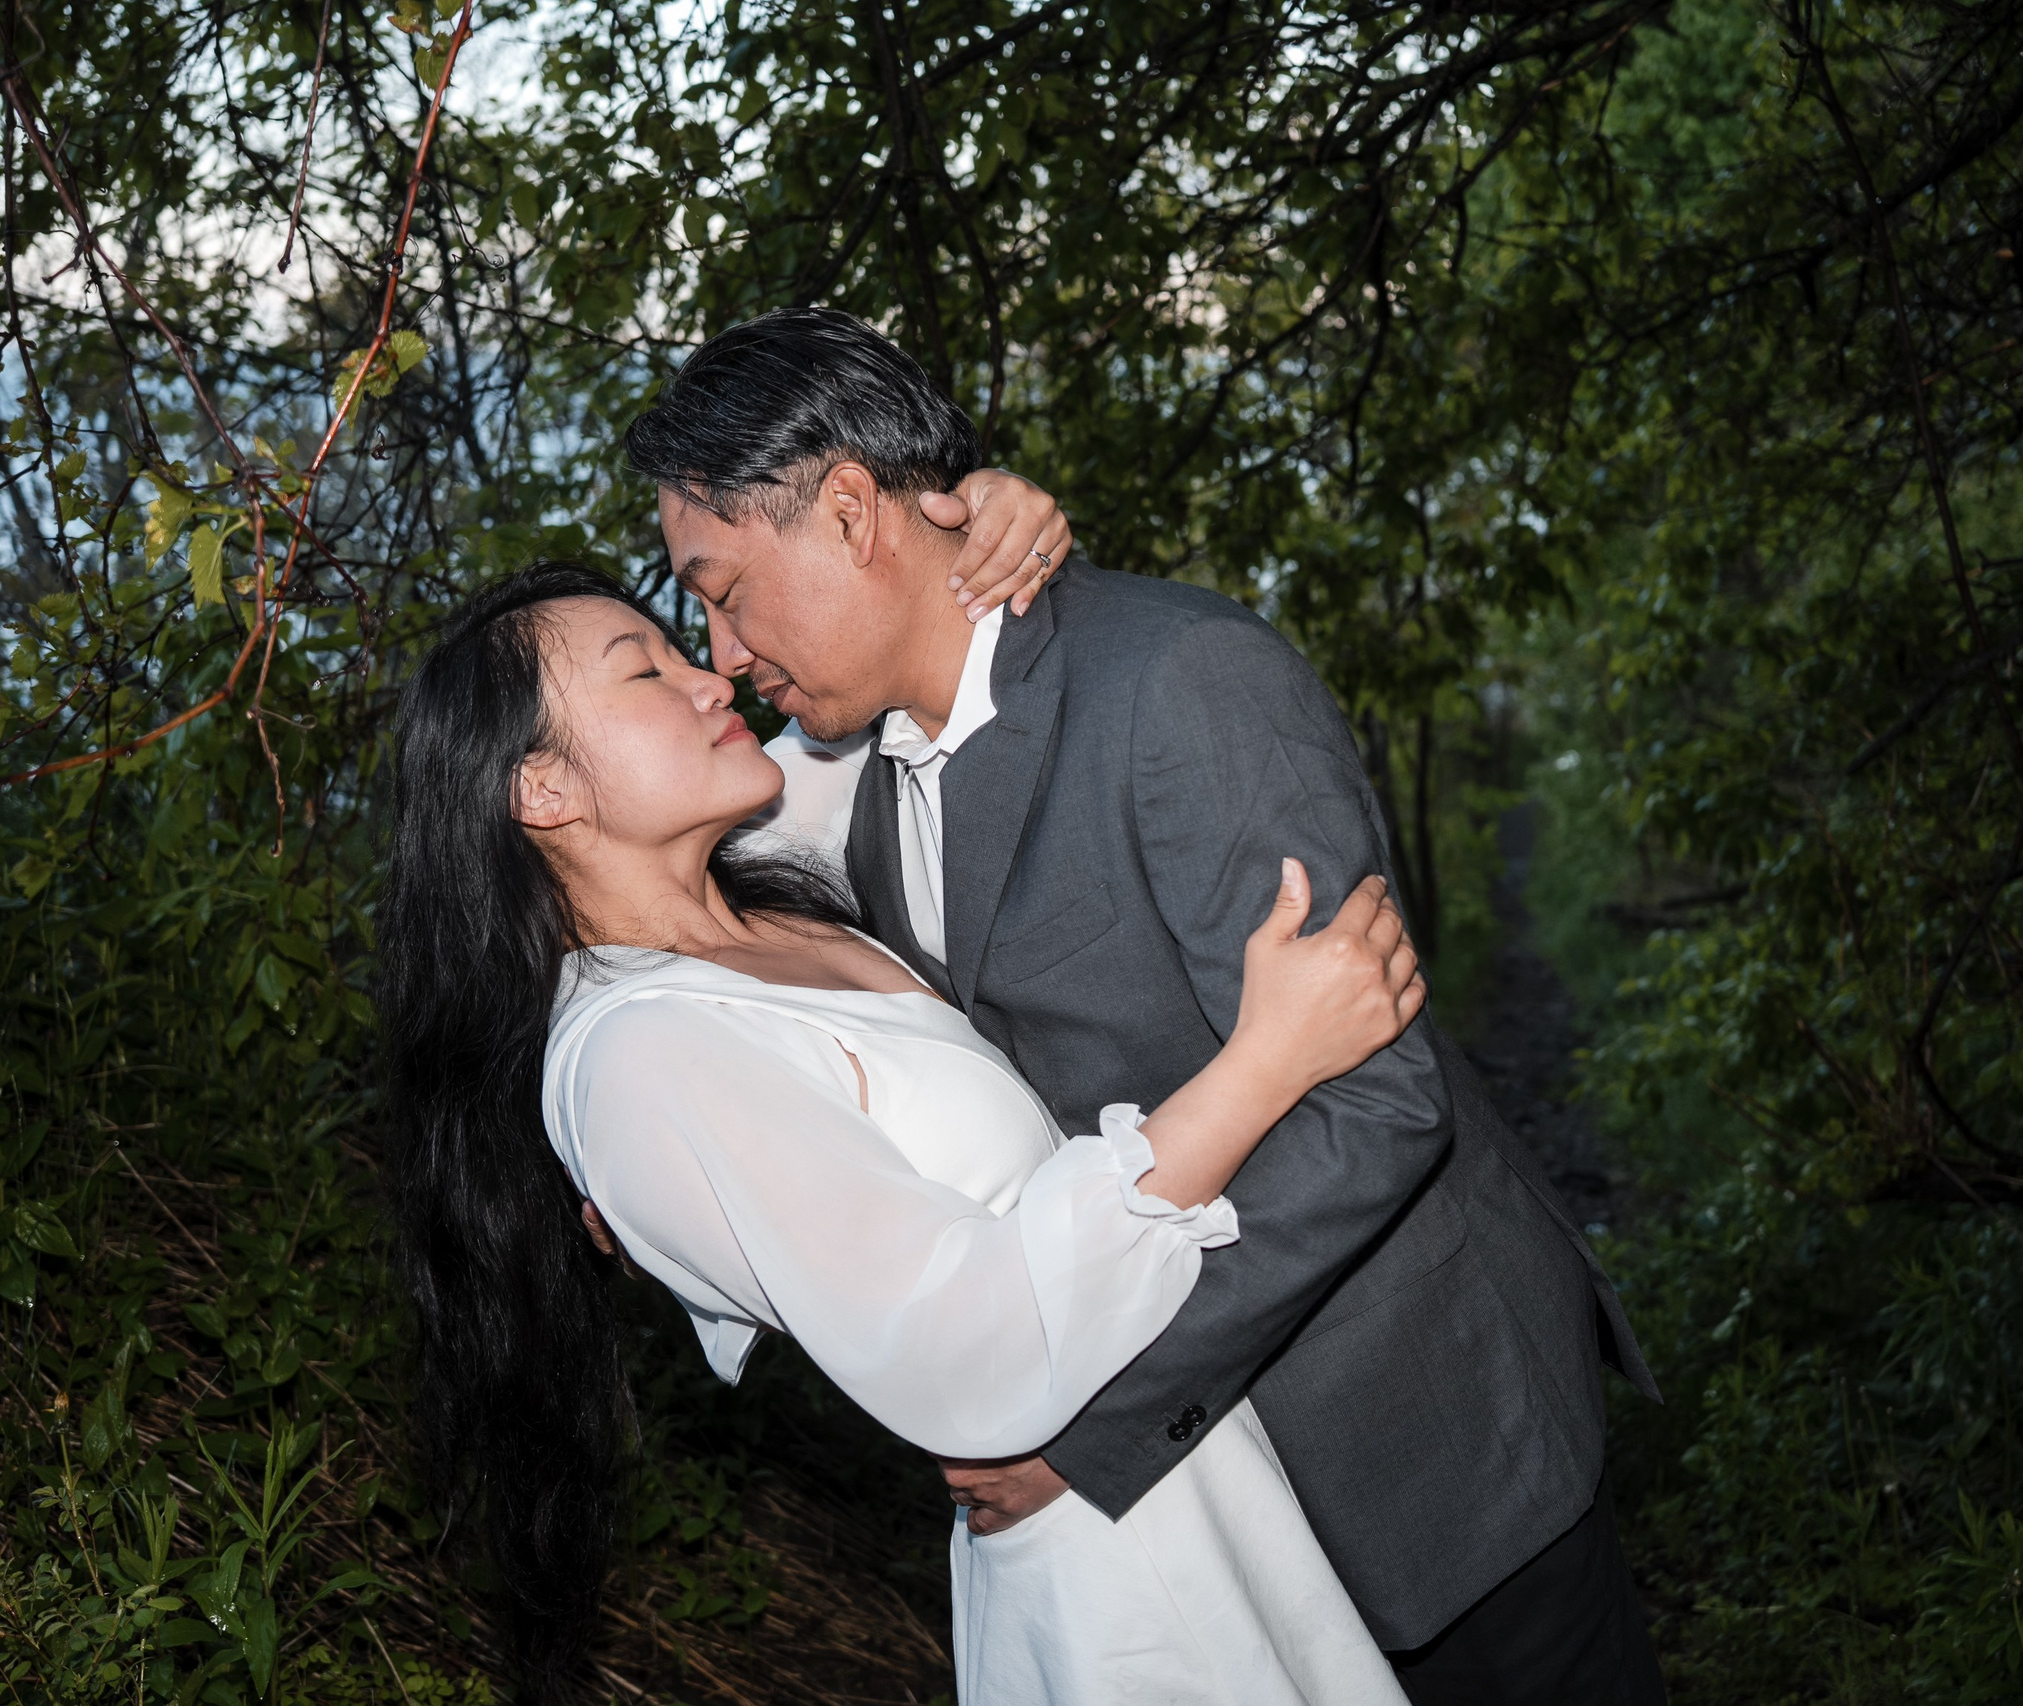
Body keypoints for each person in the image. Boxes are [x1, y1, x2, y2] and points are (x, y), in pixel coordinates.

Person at [623, 306, 1667, 1703]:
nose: (724, 647)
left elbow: (1379, 1100)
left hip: (1429, 1447)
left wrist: (1090, 1429)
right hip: (1230, 1523)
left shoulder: (1180, 682)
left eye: (726, 589)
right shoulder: (849, 791)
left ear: (855, 513)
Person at [379, 555, 1430, 1698]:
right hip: (1118, 1578)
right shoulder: (638, 1054)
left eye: (687, 648)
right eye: (647, 671)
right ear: (540, 791)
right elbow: (969, 1341)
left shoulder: (759, 889)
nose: (712, 677)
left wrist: (980, 519)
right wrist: (1269, 1060)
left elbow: (899, 664)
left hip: (1192, 1471)